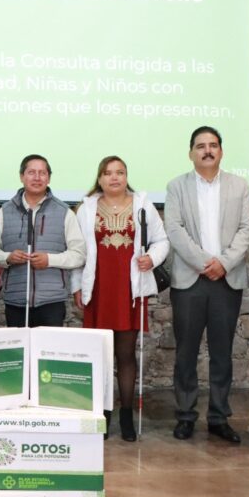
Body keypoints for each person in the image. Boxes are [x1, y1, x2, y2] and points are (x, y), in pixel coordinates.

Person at [165, 126, 249, 444]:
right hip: (190, 281)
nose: (207, 150)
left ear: (221, 151)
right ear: (191, 153)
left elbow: (247, 228)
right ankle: (186, 415)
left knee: (222, 353)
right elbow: (174, 229)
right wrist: (206, 262)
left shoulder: (238, 185)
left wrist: (224, 263)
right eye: (201, 146)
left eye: (213, 145)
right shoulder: (176, 186)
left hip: (226, 280)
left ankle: (219, 417)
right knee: (186, 353)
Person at [72, 156, 170, 442]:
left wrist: (151, 258)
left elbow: (162, 240)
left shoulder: (142, 205)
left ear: (127, 176)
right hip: (98, 289)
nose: (114, 178)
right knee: (99, 356)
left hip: (129, 290)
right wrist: (77, 286)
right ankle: (102, 413)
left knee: (125, 355)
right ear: (99, 178)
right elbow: (79, 251)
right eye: (108, 173)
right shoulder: (86, 208)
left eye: (120, 172)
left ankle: (126, 413)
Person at [0, 154, 86, 327]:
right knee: (18, 345)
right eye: (31, 172)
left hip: (52, 301)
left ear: (49, 178)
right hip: (15, 300)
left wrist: (49, 260)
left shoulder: (64, 212)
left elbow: (79, 255)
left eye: (42, 173)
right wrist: (8, 257)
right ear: (21, 176)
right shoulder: (4, 212)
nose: (37, 178)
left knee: (48, 345)